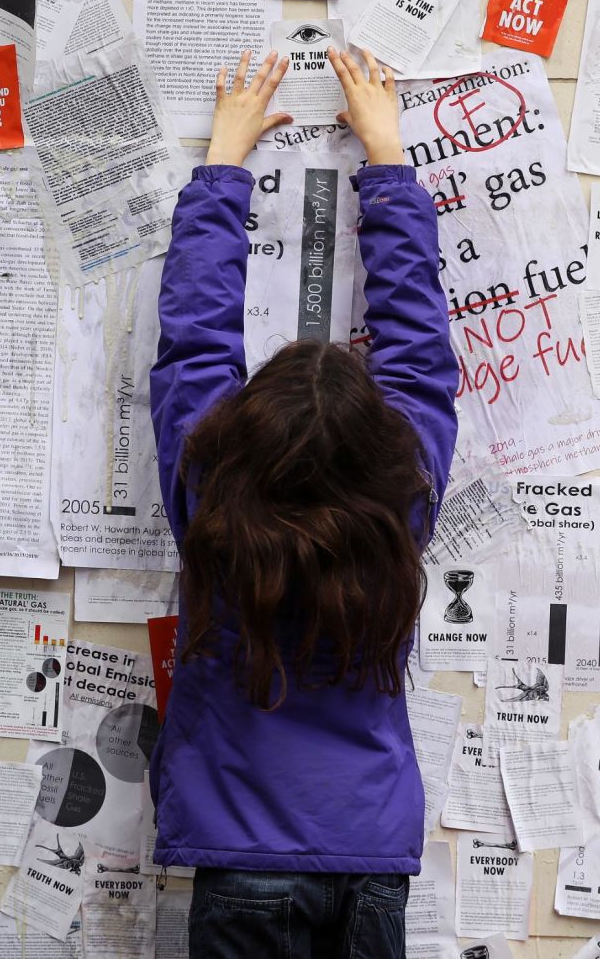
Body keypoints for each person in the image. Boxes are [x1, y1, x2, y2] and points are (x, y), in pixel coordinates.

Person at [149, 47, 459, 958]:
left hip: (240, 855)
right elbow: (419, 350)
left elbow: (193, 340)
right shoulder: (403, 502)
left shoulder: (211, 496)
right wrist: (389, 160)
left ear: (244, 431)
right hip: (369, 856)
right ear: (379, 435)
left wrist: (223, 167)